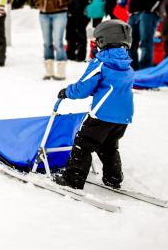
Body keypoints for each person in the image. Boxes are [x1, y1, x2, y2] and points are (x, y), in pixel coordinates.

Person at [54, 19, 134, 190]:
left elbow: (83, 87)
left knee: (83, 143)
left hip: (102, 114)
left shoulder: (102, 62)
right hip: (123, 117)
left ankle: (72, 178)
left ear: (104, 40)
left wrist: (67, 92)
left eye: (97, 41)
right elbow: (110, 86)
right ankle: (113, 178)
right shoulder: (126, 64)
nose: (96, 45)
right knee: (108, 145)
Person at [32, 0, 77, 80]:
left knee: (58, 41)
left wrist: (61, 0)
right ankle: (49, 70)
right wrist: (38, 3)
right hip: (44, 14)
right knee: (47, 43)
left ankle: (61, 71)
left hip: (59, 13)